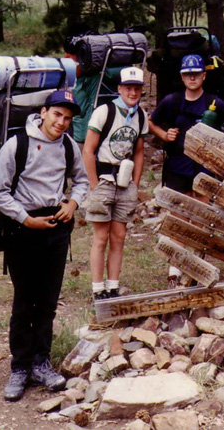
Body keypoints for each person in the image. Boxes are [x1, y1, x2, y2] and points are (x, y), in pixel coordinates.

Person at [0, 90, 89, 402]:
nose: (61, 122)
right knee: (25, 300)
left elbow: (83, 180)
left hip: (56, 226)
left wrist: (73, 202)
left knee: (48, 299)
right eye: (57, 114)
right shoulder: (17, 144)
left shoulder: (68, 145)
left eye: (68, 118)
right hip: (23, 227)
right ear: (44, 112)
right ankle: (19, 366)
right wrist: (24, 219)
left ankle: (41, 362)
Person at [149, 54, 224, 288]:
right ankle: (175, 270)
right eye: (187, 74)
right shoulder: (172, 101)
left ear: (204, 76)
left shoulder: (215, 103)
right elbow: (152, 121)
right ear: (182, 76)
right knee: (178, 219)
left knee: (202, 220)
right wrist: (164, 135)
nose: (192, 77)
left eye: (196, 73)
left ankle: (195, 267)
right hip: (177, 167)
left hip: (204, 170)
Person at [82, 67, 148, 301]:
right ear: (119, 89)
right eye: (128, 87)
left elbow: (139, 151)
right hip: (104, 180)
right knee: (101, 236)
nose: (132, 92)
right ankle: (98, 287)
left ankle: (113, 285)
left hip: (125, 181)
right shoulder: (105, 112)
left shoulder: (140, 115)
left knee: (119, 236)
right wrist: (93, 183)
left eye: (137, 88)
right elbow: (88, 150)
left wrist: (135, 184)